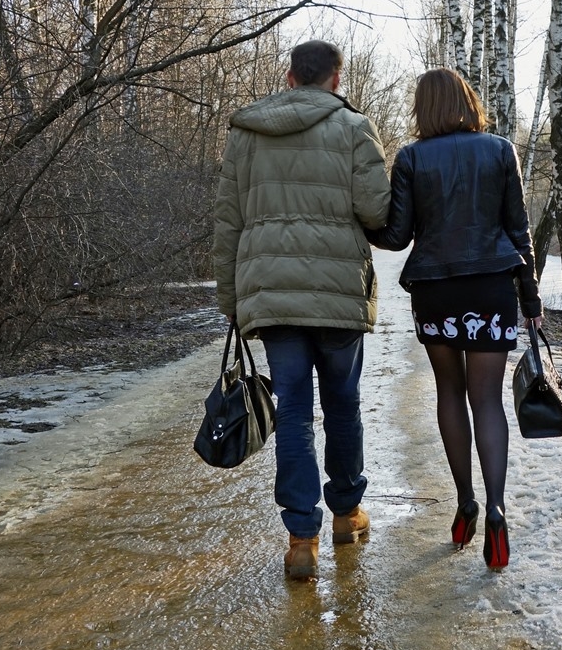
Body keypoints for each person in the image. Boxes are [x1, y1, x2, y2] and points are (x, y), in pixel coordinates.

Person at [213, 40, 391, 581]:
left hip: (271, 294)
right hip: (338, 291)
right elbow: (377, 211)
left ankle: (300, 538)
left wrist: (233, 301)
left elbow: (229, 222)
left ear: (289, 77)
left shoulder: (247, 132)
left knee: (292, 412)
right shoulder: (355, 128)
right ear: (336, 78)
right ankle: (346, 513)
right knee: (342, 406)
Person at [368, 68, 542, 571]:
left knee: (450, 393)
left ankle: (465, 501)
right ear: (469, 101)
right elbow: (518, 231)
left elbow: (397, 237)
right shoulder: (501, 149)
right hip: (491, 285)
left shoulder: (411, 158)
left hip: (436, 289)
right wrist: (529, 301)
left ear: (423, 108)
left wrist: (361, 223)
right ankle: (496, 509)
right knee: (486, 399)